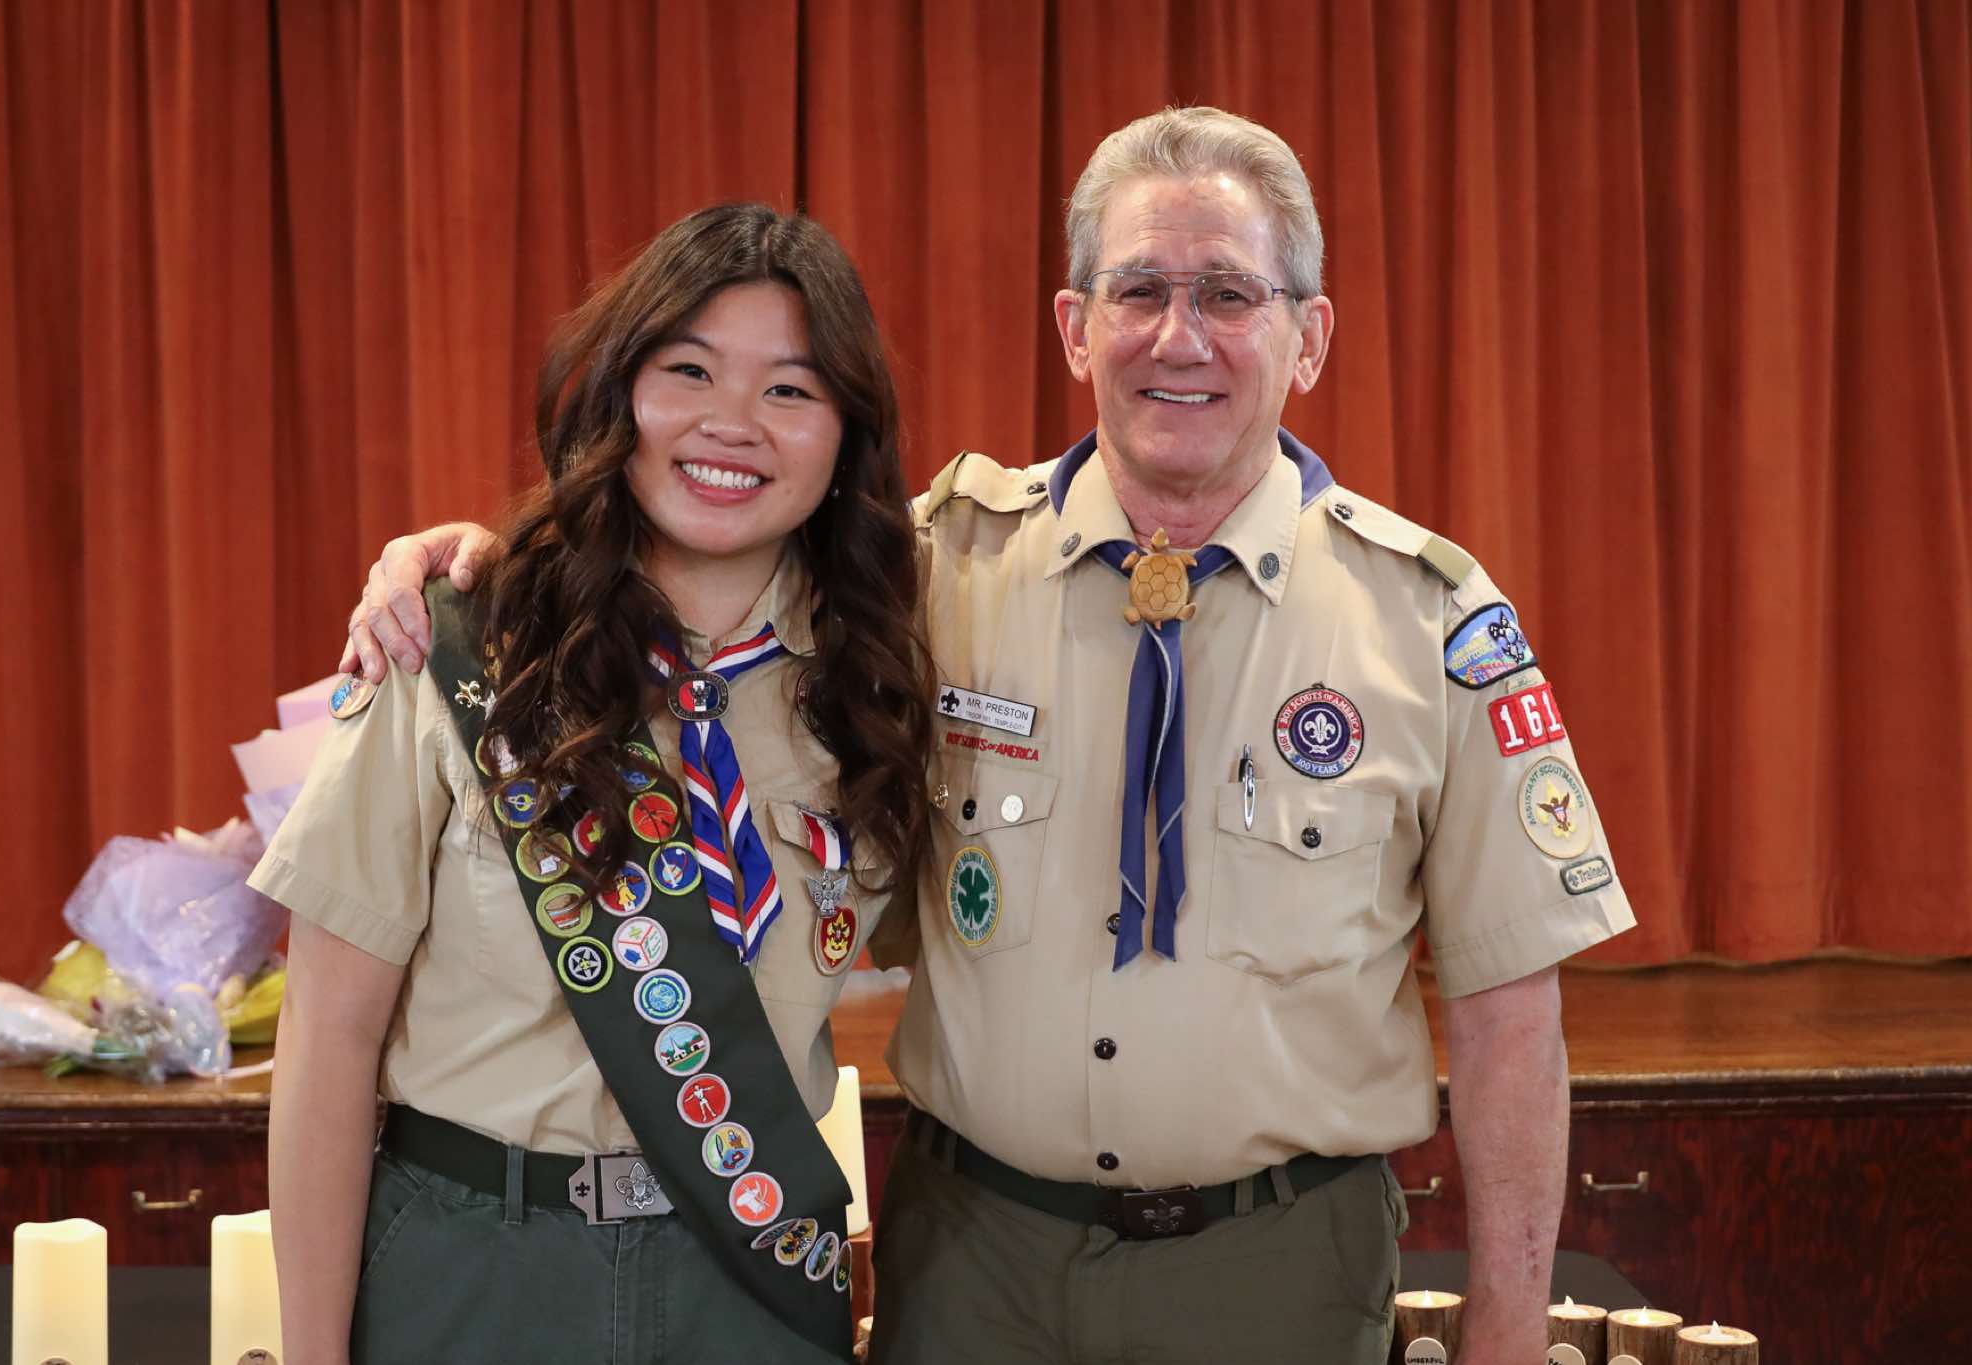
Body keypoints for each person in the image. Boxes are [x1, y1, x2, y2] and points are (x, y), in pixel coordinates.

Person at [345, 107, 1636, 1365]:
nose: (1178, 336)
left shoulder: (1430, 620)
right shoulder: (922, 573)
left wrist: (1507, 1328)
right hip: (974, 1263)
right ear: (1075, 328)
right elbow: (690, 544)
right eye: (1139, 292)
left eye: (1230, 295)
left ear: (1309, 338)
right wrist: (475, 566)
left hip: (1279, 1271)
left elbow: (1509, 1009)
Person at [253, 202, 933, 1365]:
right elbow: (327, 1037)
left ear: (844, 438)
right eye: (688, 371)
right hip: (476, 1261)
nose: (731, 424)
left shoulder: (878, 681)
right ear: (618, 393)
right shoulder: (463, 645)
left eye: (789, 389)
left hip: (746, 1275)